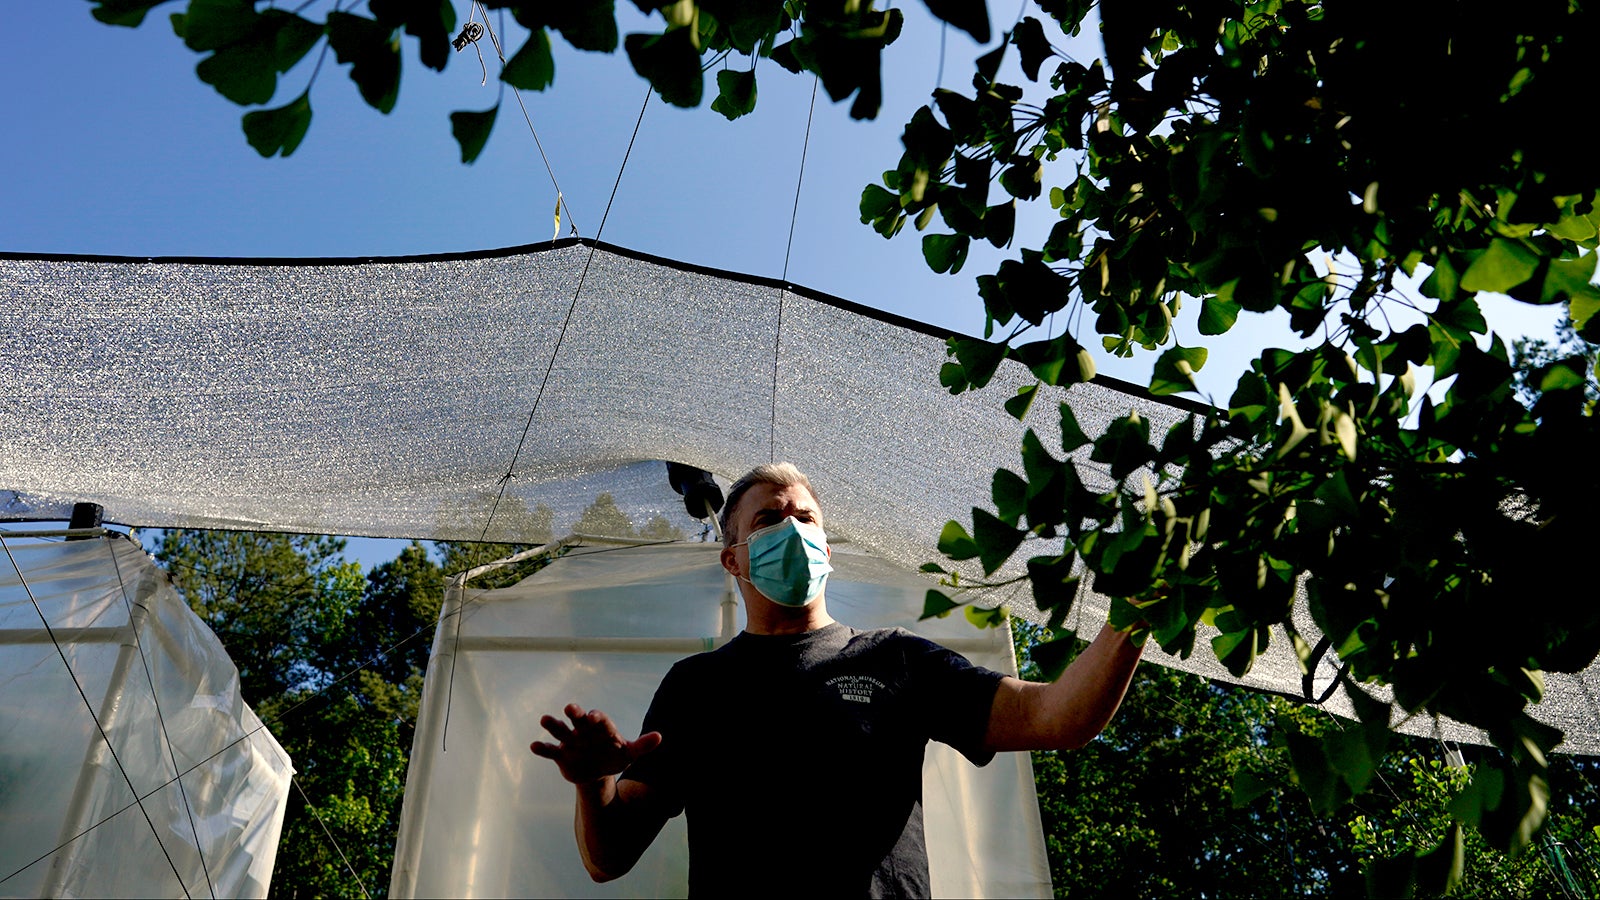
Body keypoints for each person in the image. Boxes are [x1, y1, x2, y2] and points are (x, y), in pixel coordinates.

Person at [530, 463, 1142, 897]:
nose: (793, 529)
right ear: (732, 557)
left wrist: (1142, 605)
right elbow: (608, 859)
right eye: (770, 519)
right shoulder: (697, 685)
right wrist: (594, 782)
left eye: (806, 518)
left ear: (826, 544)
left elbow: (1058, 717)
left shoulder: (899, 660)